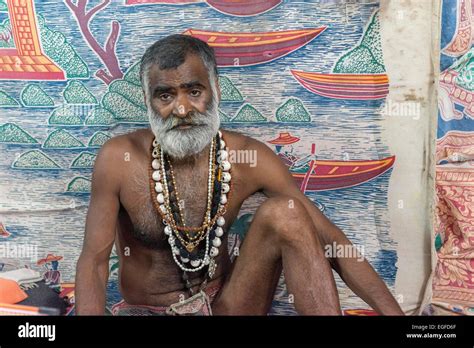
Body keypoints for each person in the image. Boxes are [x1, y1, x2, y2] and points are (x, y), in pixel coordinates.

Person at [75, 34, 403, 316]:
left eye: (194, 91)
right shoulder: (118, 158)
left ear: (214, 89)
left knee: (287, 214)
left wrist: (396, 315)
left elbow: (333, 243)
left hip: (226, 304)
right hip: (148, 310)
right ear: (148, 101)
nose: (182, 109)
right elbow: (94, 261)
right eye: (166, 95)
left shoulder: (249, 156)